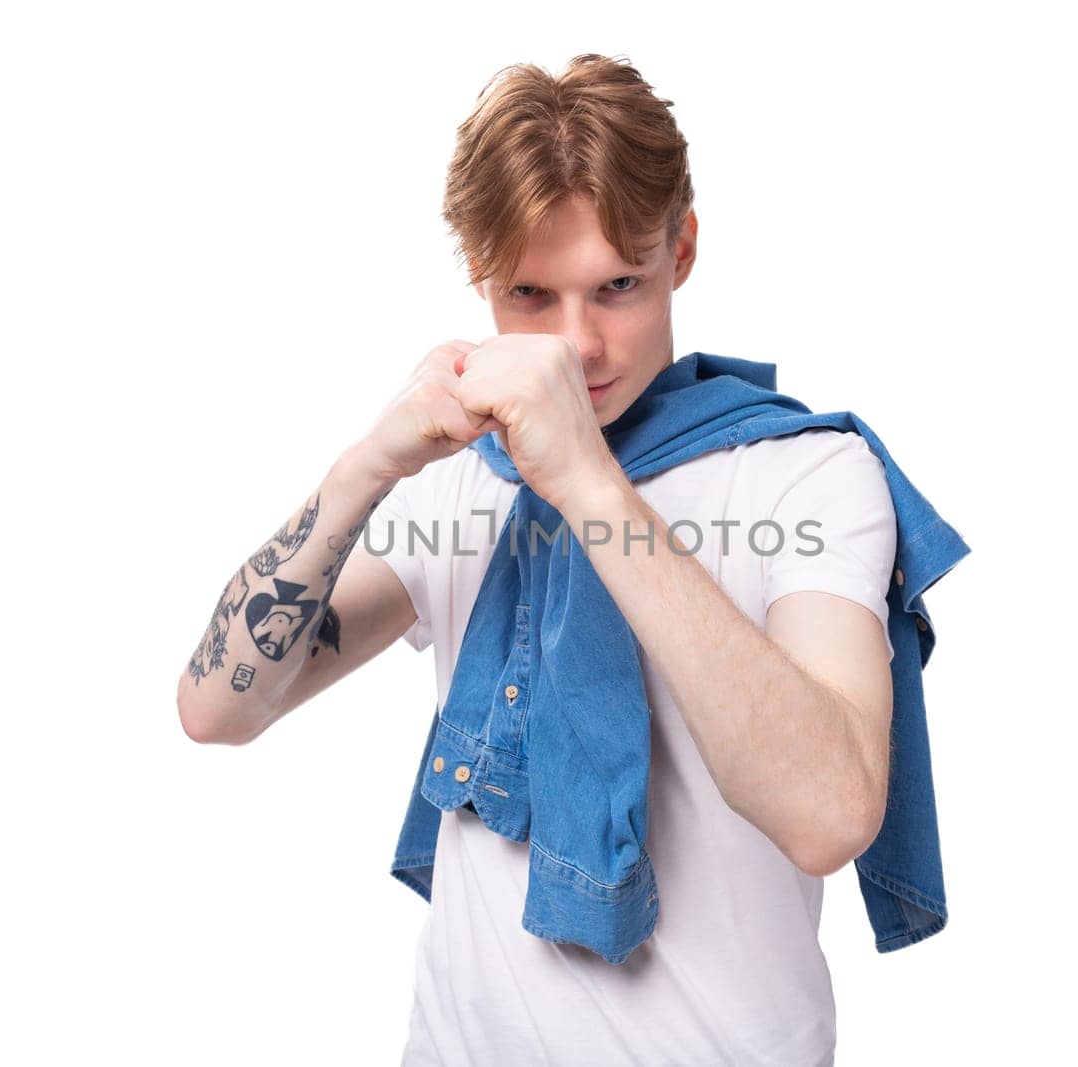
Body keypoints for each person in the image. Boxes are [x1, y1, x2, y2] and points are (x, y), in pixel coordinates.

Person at [178, 54, 910, 1066]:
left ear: (682, 249)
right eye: (530, 293)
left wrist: (589, 485)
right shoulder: (459, 476)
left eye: (617, 286)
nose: (577, 347)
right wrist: (366, 467)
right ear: (480, 274)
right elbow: (218, 709)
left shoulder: (804, 475)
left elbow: (829, 815)